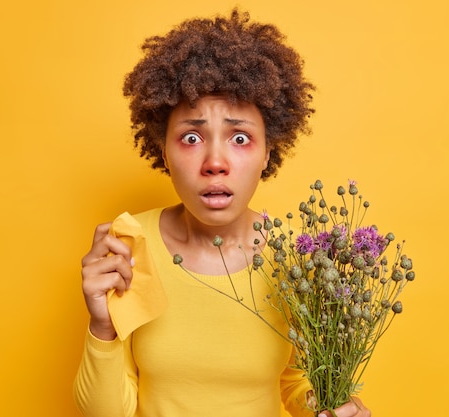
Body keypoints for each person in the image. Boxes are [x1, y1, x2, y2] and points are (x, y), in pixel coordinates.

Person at [74, 9, 371, 417]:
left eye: (241, 138)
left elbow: (295, 383)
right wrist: (102, 327)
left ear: (269, 151)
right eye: (192, 137)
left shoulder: (297, 261)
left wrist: (333, 405)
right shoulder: (129, 247)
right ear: (163, 149)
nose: (215, 161)